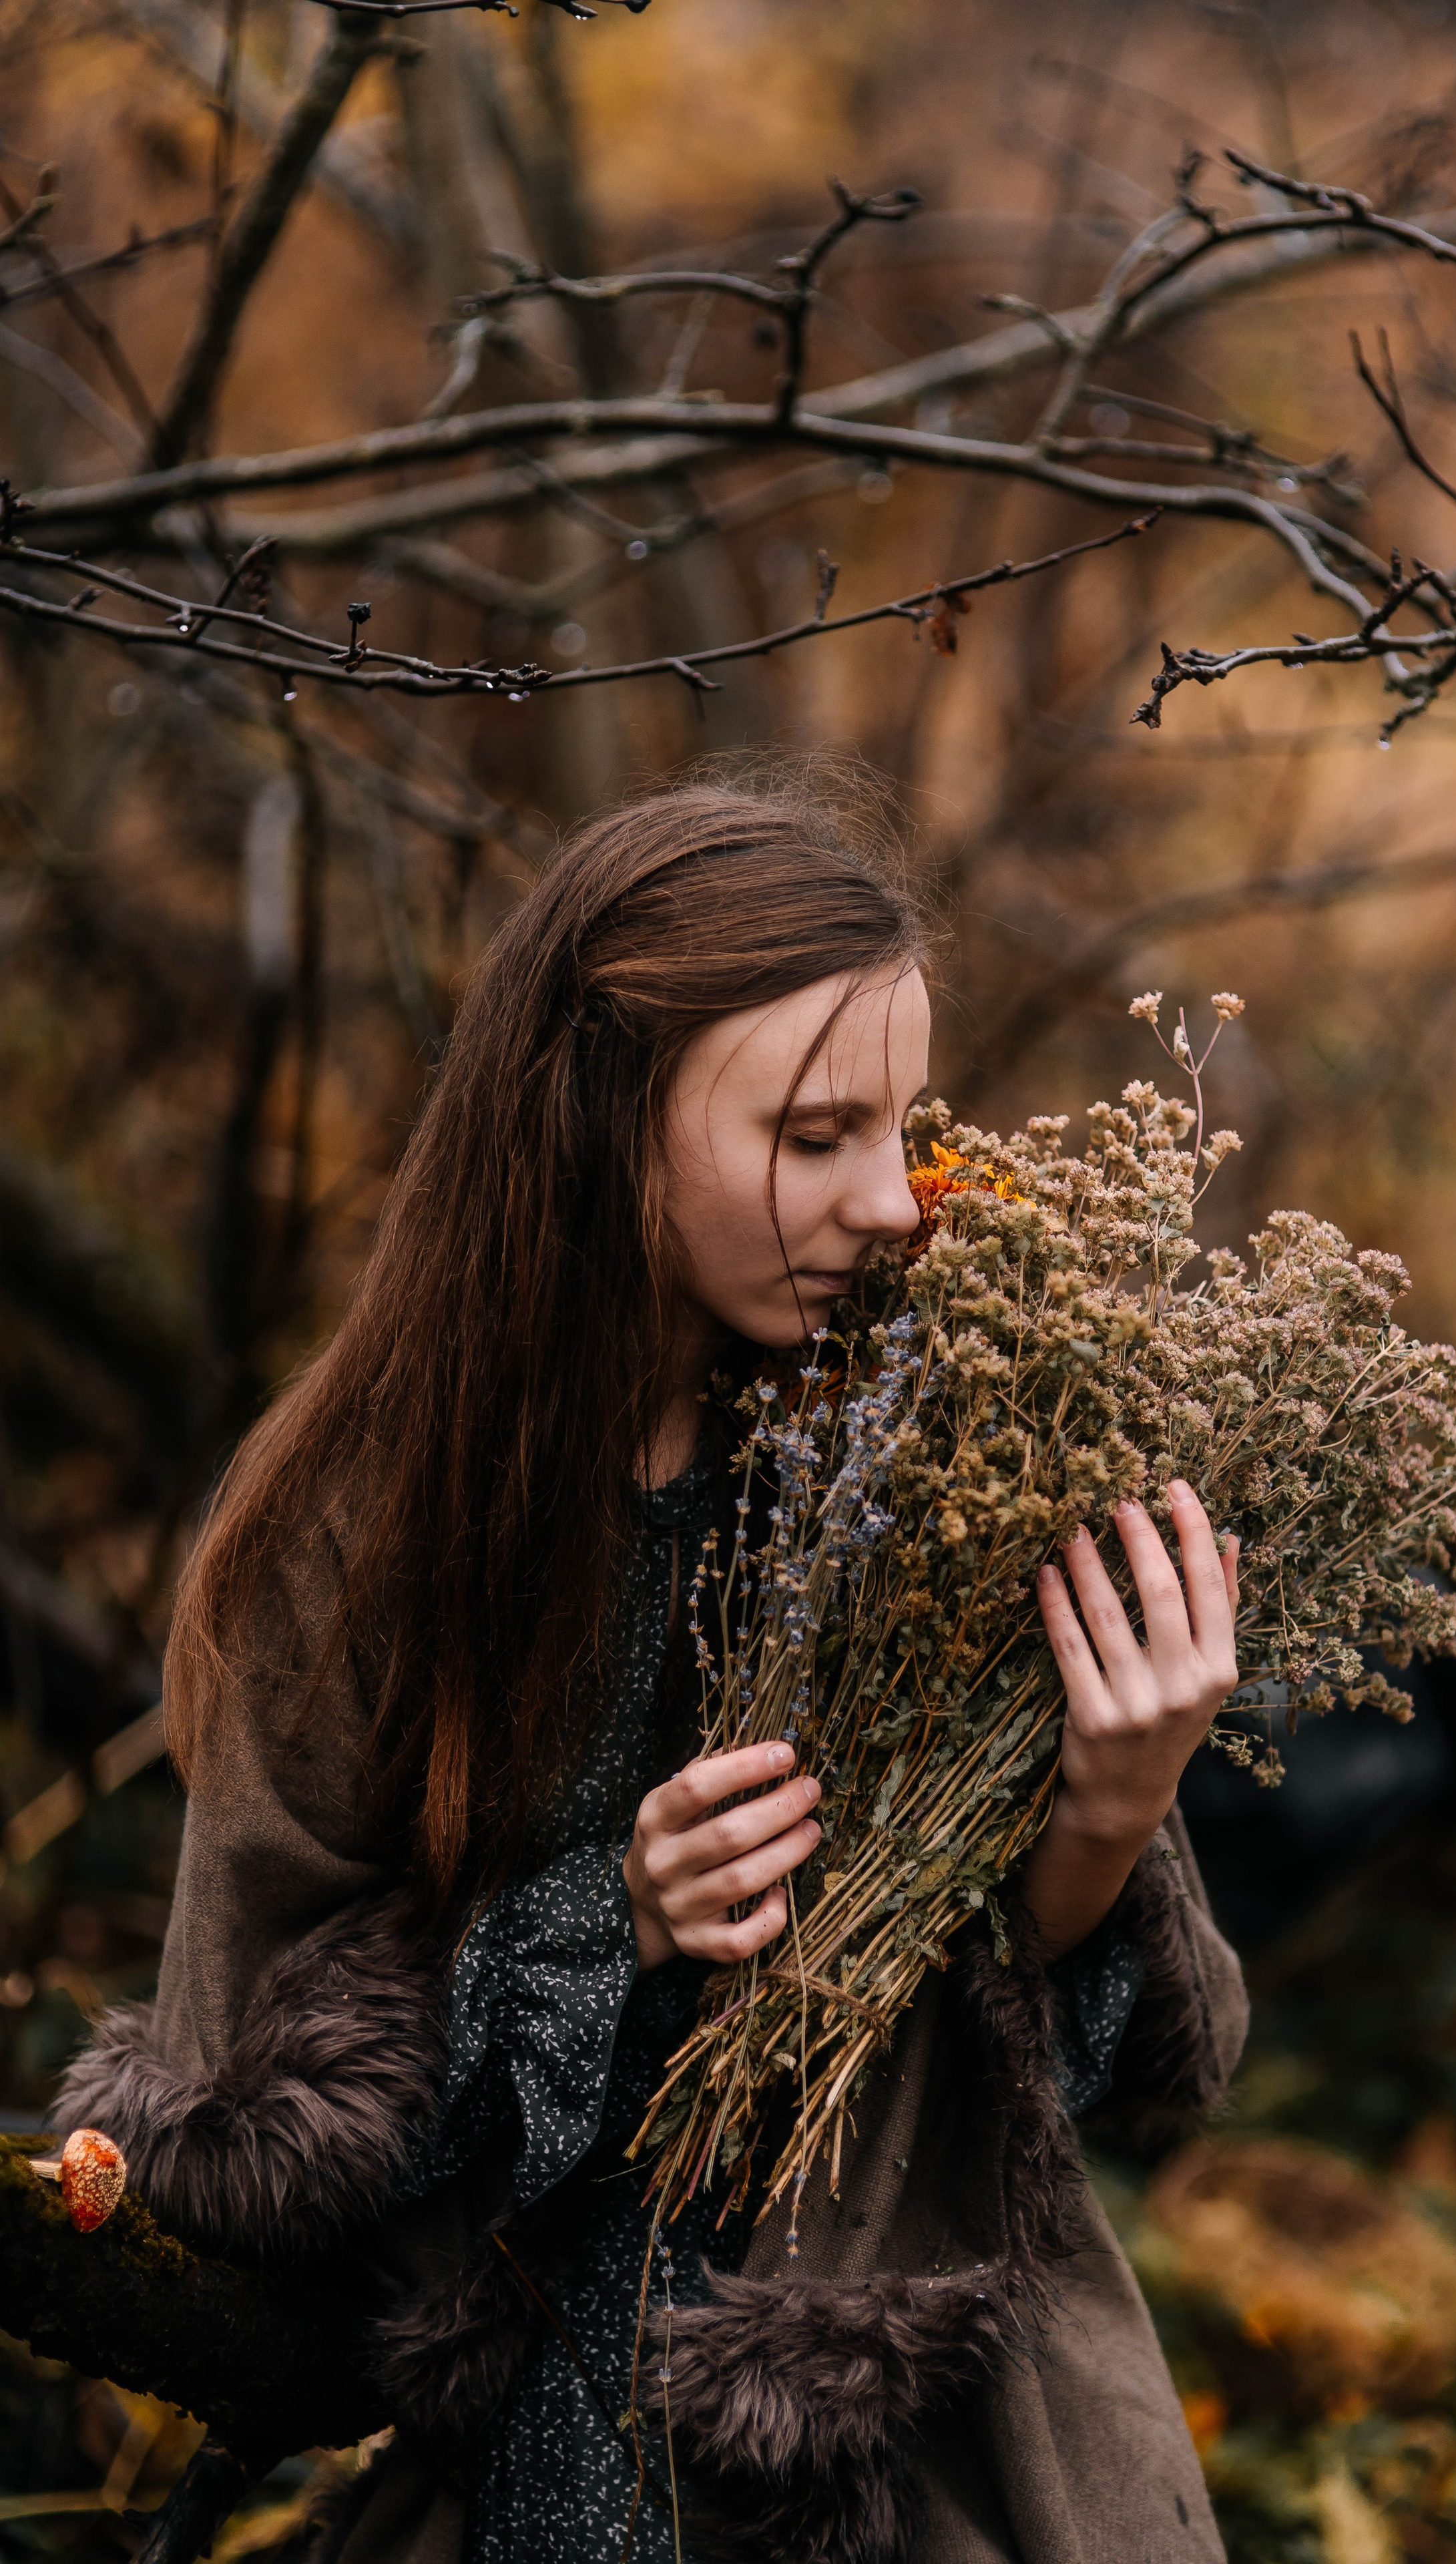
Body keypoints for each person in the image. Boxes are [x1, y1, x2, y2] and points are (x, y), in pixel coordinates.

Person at [57, 777, 1248, 2564]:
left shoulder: (952, 1441)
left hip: (940, 2432)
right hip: (538, 2449)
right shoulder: (359, 1530)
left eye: (905, 1126)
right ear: (604, 1120)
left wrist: (1111, 1807)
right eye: (812, 1134)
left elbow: (1044, 2083)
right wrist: (600, 1922)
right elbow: (242, 2148)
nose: (888, 1203)